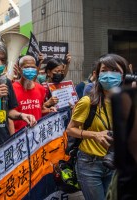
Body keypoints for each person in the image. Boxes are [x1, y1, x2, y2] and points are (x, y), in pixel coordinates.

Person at [66, 53, 128, 200]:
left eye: (115, 71)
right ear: (97, 75)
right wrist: (94, 135)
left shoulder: (126, 102)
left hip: (115, 162)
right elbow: (70, 129)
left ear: (123, 75)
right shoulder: (88, 102)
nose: (109, 75)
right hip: (89, 164)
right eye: (104, 70)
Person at [12, 55, 49, 132]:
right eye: (26, 67)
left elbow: (39, 110)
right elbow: (9, 116)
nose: (30, 70)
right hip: (19, 136)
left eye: (33, 67)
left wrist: (49, 110)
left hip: (37, 135)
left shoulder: (41, 89)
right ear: (19, 69)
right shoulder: (12, 88)